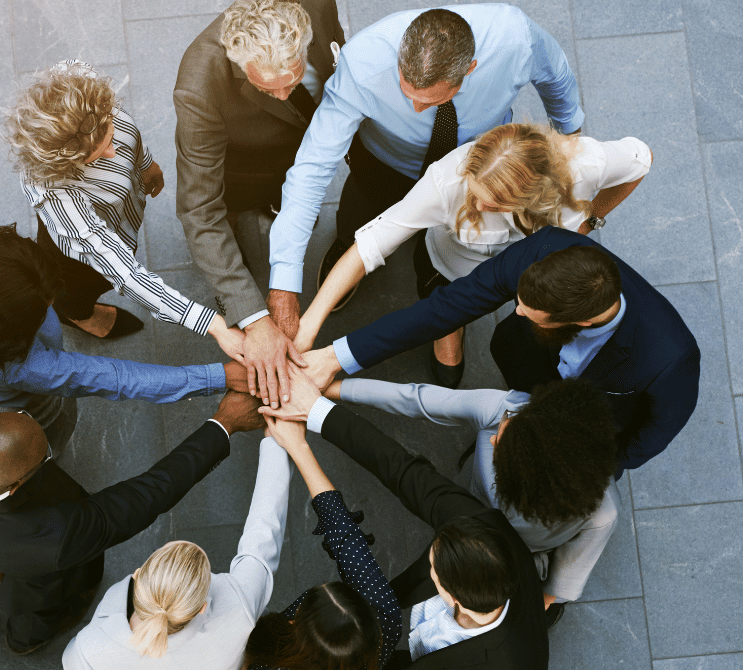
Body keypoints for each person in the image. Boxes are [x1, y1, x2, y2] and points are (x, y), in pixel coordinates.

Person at [272, 378, 549, 670]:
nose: (428, 562)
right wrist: (317, 412)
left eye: (433, 570)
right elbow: (404, 471)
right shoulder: (483, 531)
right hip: (434, 655)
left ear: (451, 595)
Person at [266, 4, 584, 341]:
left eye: (429, 101)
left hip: (481, 165)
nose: (416, 109)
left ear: (470, 69)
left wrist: (570, 141)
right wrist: (284, 280)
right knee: (361, 210)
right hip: (384, 161)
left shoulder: (516, 38)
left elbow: (557, 78)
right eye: (406, 93)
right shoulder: (362, 62)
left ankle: (440, 285)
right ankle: (346, 255)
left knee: (464, 231)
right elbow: (311, 168)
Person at [0, 393, 264, 656]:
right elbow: (149, 494)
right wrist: (223, 424)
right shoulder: (57, 535)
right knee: (36, 616)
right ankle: (24, 644)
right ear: (17, 485)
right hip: (33, 582)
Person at [303, 228, 701, 473]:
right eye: (519, 301)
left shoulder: (671, 359)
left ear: (577, 322)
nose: (516, 310)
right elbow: (446, 308)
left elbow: (650, 438)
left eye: (531, 312)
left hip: (585, 421)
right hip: (528, 362)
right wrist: (334, 356)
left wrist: (582, 471)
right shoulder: (543, 250)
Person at [300, 124, 652, 384]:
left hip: (537, 272)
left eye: (495, 203)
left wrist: (590, 221)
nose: (478, 205)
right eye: (474, 192)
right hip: (454, 273)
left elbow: (641, 160)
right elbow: (373, 242)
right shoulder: (445, 182)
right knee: (443, 308)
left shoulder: (586, 165)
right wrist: (310, 323)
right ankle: (450, 331)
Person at [284, 373, 620, 627]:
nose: (496, 435)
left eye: (504, 450)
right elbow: (418, 400)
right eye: (507, 423)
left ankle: (382, 606)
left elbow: (555, 587)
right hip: (461, 507)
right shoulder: (514, 410)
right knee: (424, 573)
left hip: (504, 555)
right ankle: (384, 603)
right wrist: (326, 388)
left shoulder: (602, 513)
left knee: (434, 575)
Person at [61, 433, 293, 670]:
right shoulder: (239, 607)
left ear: (140, 575)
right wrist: (277, 443)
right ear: (200, 607)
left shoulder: (92, 646)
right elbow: (264, 531)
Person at [174, 0, 345, 407]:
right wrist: (252, 316)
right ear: (238, 63)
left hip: (298, 143)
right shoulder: (199, 85)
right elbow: (200, 210)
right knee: (233, 209)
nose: (286, 94)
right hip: (246, 161)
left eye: (293, 79)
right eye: (268, 89)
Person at [0, 220, 248, 443]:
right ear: (10, 326)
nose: (52, 306)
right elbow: (115, 378)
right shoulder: (26, 366)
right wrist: (219, 376)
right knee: (46, 439)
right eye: (41, 310)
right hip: (19, 406)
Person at [4, 60, 245, 361]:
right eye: (97, 156)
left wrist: (144, 164)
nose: (113, 152)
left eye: (110, 133)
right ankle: (75, 316)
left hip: (119, 220)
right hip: (78, 260)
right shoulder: (57, 192)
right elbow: (126, 274)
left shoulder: (83, 86)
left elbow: (127, 134)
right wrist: (214, 325)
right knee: (79, 289)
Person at [208, 415, 403, 670]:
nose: (293, 619)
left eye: (300, 619)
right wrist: (298, 446)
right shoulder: (384, 615)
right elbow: (346, 538)